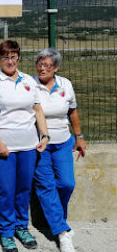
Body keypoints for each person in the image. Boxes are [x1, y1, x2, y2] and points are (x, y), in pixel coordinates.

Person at [0, 40, 49, 252]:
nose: (9, 61)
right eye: (5, 57)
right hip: (3, 148)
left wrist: (45, 135)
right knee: (5, 191)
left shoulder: (29, 80)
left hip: (28, 147)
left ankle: (22, 226)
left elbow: (37, 110)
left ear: (19, 57)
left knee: (23, 189)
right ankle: (7, 232)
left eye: (13, 56)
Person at [33, 48, 86, 252]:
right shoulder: (31, 84)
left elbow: (72, 111)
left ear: (56, 67)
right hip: (39, 145)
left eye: (46, 65)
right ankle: (63, 234)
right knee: (46, 187)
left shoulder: (66, 85)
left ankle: (58, 221)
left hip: (63, 142)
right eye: (39, 63)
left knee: (66, 184)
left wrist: (79, 137)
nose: (42, 68)